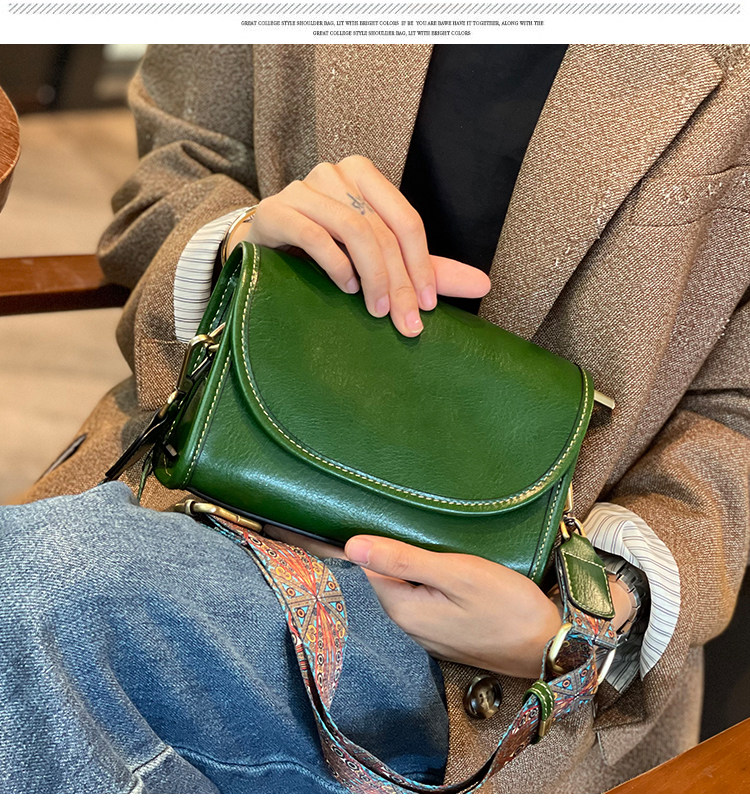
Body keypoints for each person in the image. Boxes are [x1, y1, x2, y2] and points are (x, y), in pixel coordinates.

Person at [1, 44, 749, 793]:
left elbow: (735, 416)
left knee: (40, 593)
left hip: (502, 635)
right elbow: (177, 166)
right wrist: (241, 242)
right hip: (210, 475)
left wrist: (586, 618)